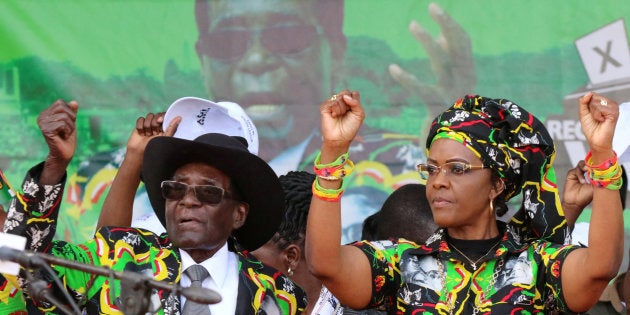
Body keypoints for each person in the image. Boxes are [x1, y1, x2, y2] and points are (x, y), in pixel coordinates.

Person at [306, 90, 623, 313]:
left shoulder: (537, 265)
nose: (438, 180)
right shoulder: (402, 263)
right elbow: (325, 264)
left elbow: (599, 268)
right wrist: (333, 151)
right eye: (431, 170)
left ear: (496, 184)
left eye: (457, 169)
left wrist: (602, 154)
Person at [3, 99, 306, 314]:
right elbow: (20, 264)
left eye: (208, 192)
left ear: (239, 214)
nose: (188, 200)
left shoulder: (280, 294)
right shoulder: (116, 255)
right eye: (176, 188)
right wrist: (54, 167)